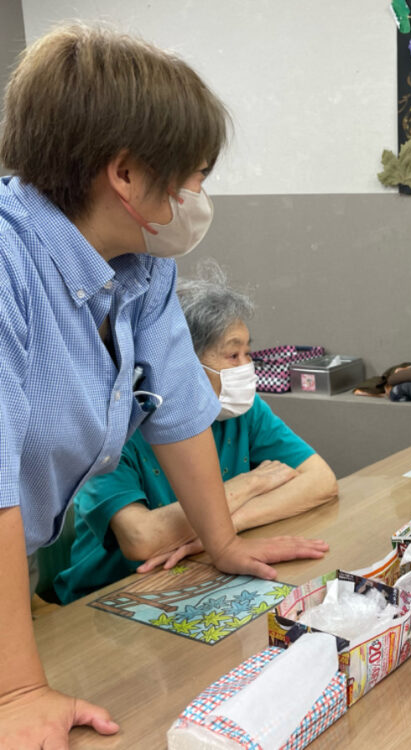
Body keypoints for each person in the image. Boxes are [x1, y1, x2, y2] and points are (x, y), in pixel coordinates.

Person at [0, 25, 327, 745]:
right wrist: (19, 688)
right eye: (193, 176)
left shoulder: (142, 270)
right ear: (125, 175)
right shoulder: (7, 263)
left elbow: (180, 413)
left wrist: (223, 542)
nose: (197, 197)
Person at [54, 263, 339, 602]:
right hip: (106, 599)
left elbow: (321, 480)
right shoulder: (116, 425)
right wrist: (251, 484)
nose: (246, 367)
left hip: (195, 572)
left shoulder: (243, 411)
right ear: (179, 362)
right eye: (232, 355)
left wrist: (219, 534)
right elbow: (141, 539)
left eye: (248, 353)